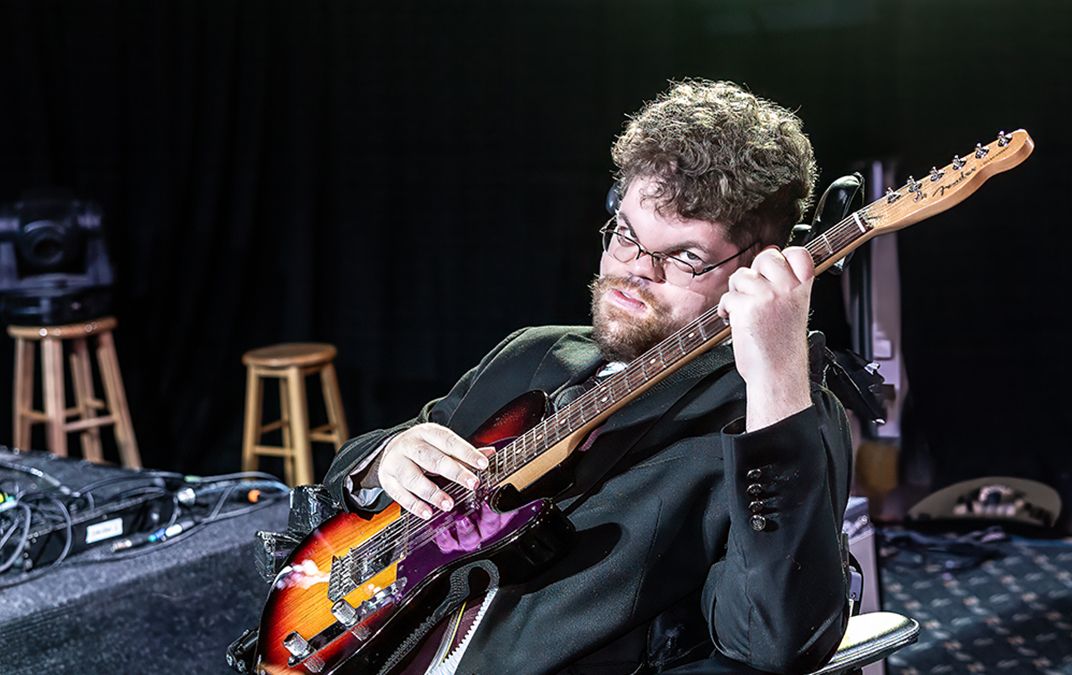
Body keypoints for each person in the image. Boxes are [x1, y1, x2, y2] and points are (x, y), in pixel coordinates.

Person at [324, 79, 853, 674]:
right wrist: (383, 461)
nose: (632, 271)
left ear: (758, 271)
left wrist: (780, 379)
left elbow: (778, 642)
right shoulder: (532, 353)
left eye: (682, 257)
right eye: (626, 234)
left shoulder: (766, 415)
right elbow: (353, 480)